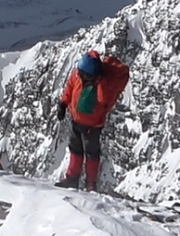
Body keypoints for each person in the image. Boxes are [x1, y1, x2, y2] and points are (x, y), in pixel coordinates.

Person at [55, 50, 131, 190]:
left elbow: (104, 100)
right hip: (76, 120)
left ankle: (91, 184)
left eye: (84, 75)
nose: (80, 76)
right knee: (75, 150)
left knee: (92, 154)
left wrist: (100, 82)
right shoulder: (79, 75)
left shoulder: (103, 83)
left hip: (93, 125)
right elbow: (70, 87)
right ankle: (72, 179)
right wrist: (63, 103)